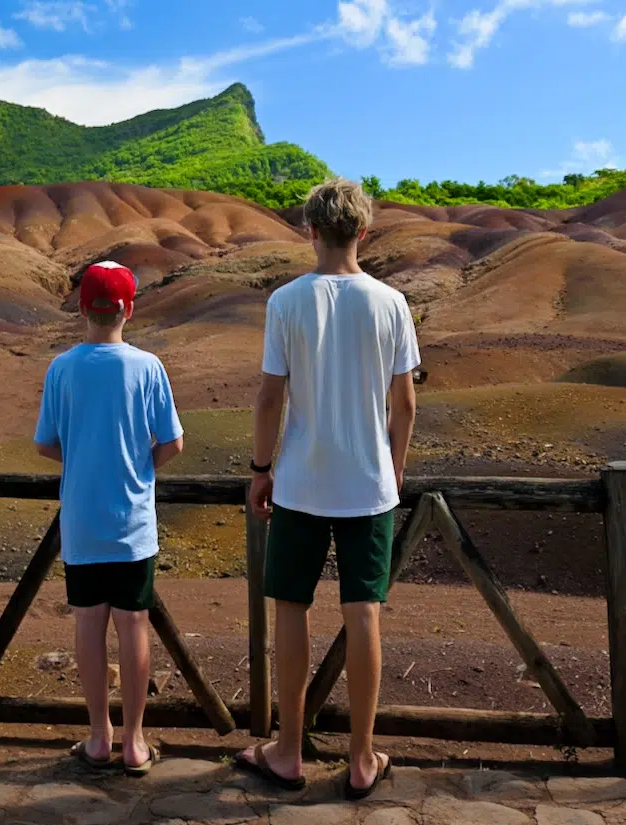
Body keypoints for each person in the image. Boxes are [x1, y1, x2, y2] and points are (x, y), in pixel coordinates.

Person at [237, 179, 419, 799]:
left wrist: (261, 468)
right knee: (363, 611)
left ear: (309, 231)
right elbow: (406, 405)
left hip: (299, 483)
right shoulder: (392, 303)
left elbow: (269, 396)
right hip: (368, 485)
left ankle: (288, 750)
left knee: (291, 606)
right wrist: (392, 470)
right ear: (363, 233)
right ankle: (363, 758)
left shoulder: (286, 302)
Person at [34, 260, 184, 776]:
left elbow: (45, 443)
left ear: (82, 308)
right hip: (132, 523)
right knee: (133, 626)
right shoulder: (147, 367)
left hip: (82, 520)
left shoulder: (62, 368)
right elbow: (173, 443)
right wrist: (141, 466)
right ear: (129, 308)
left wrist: (81, 458)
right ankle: (135, 743)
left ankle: (99, 737)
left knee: (88, 625)